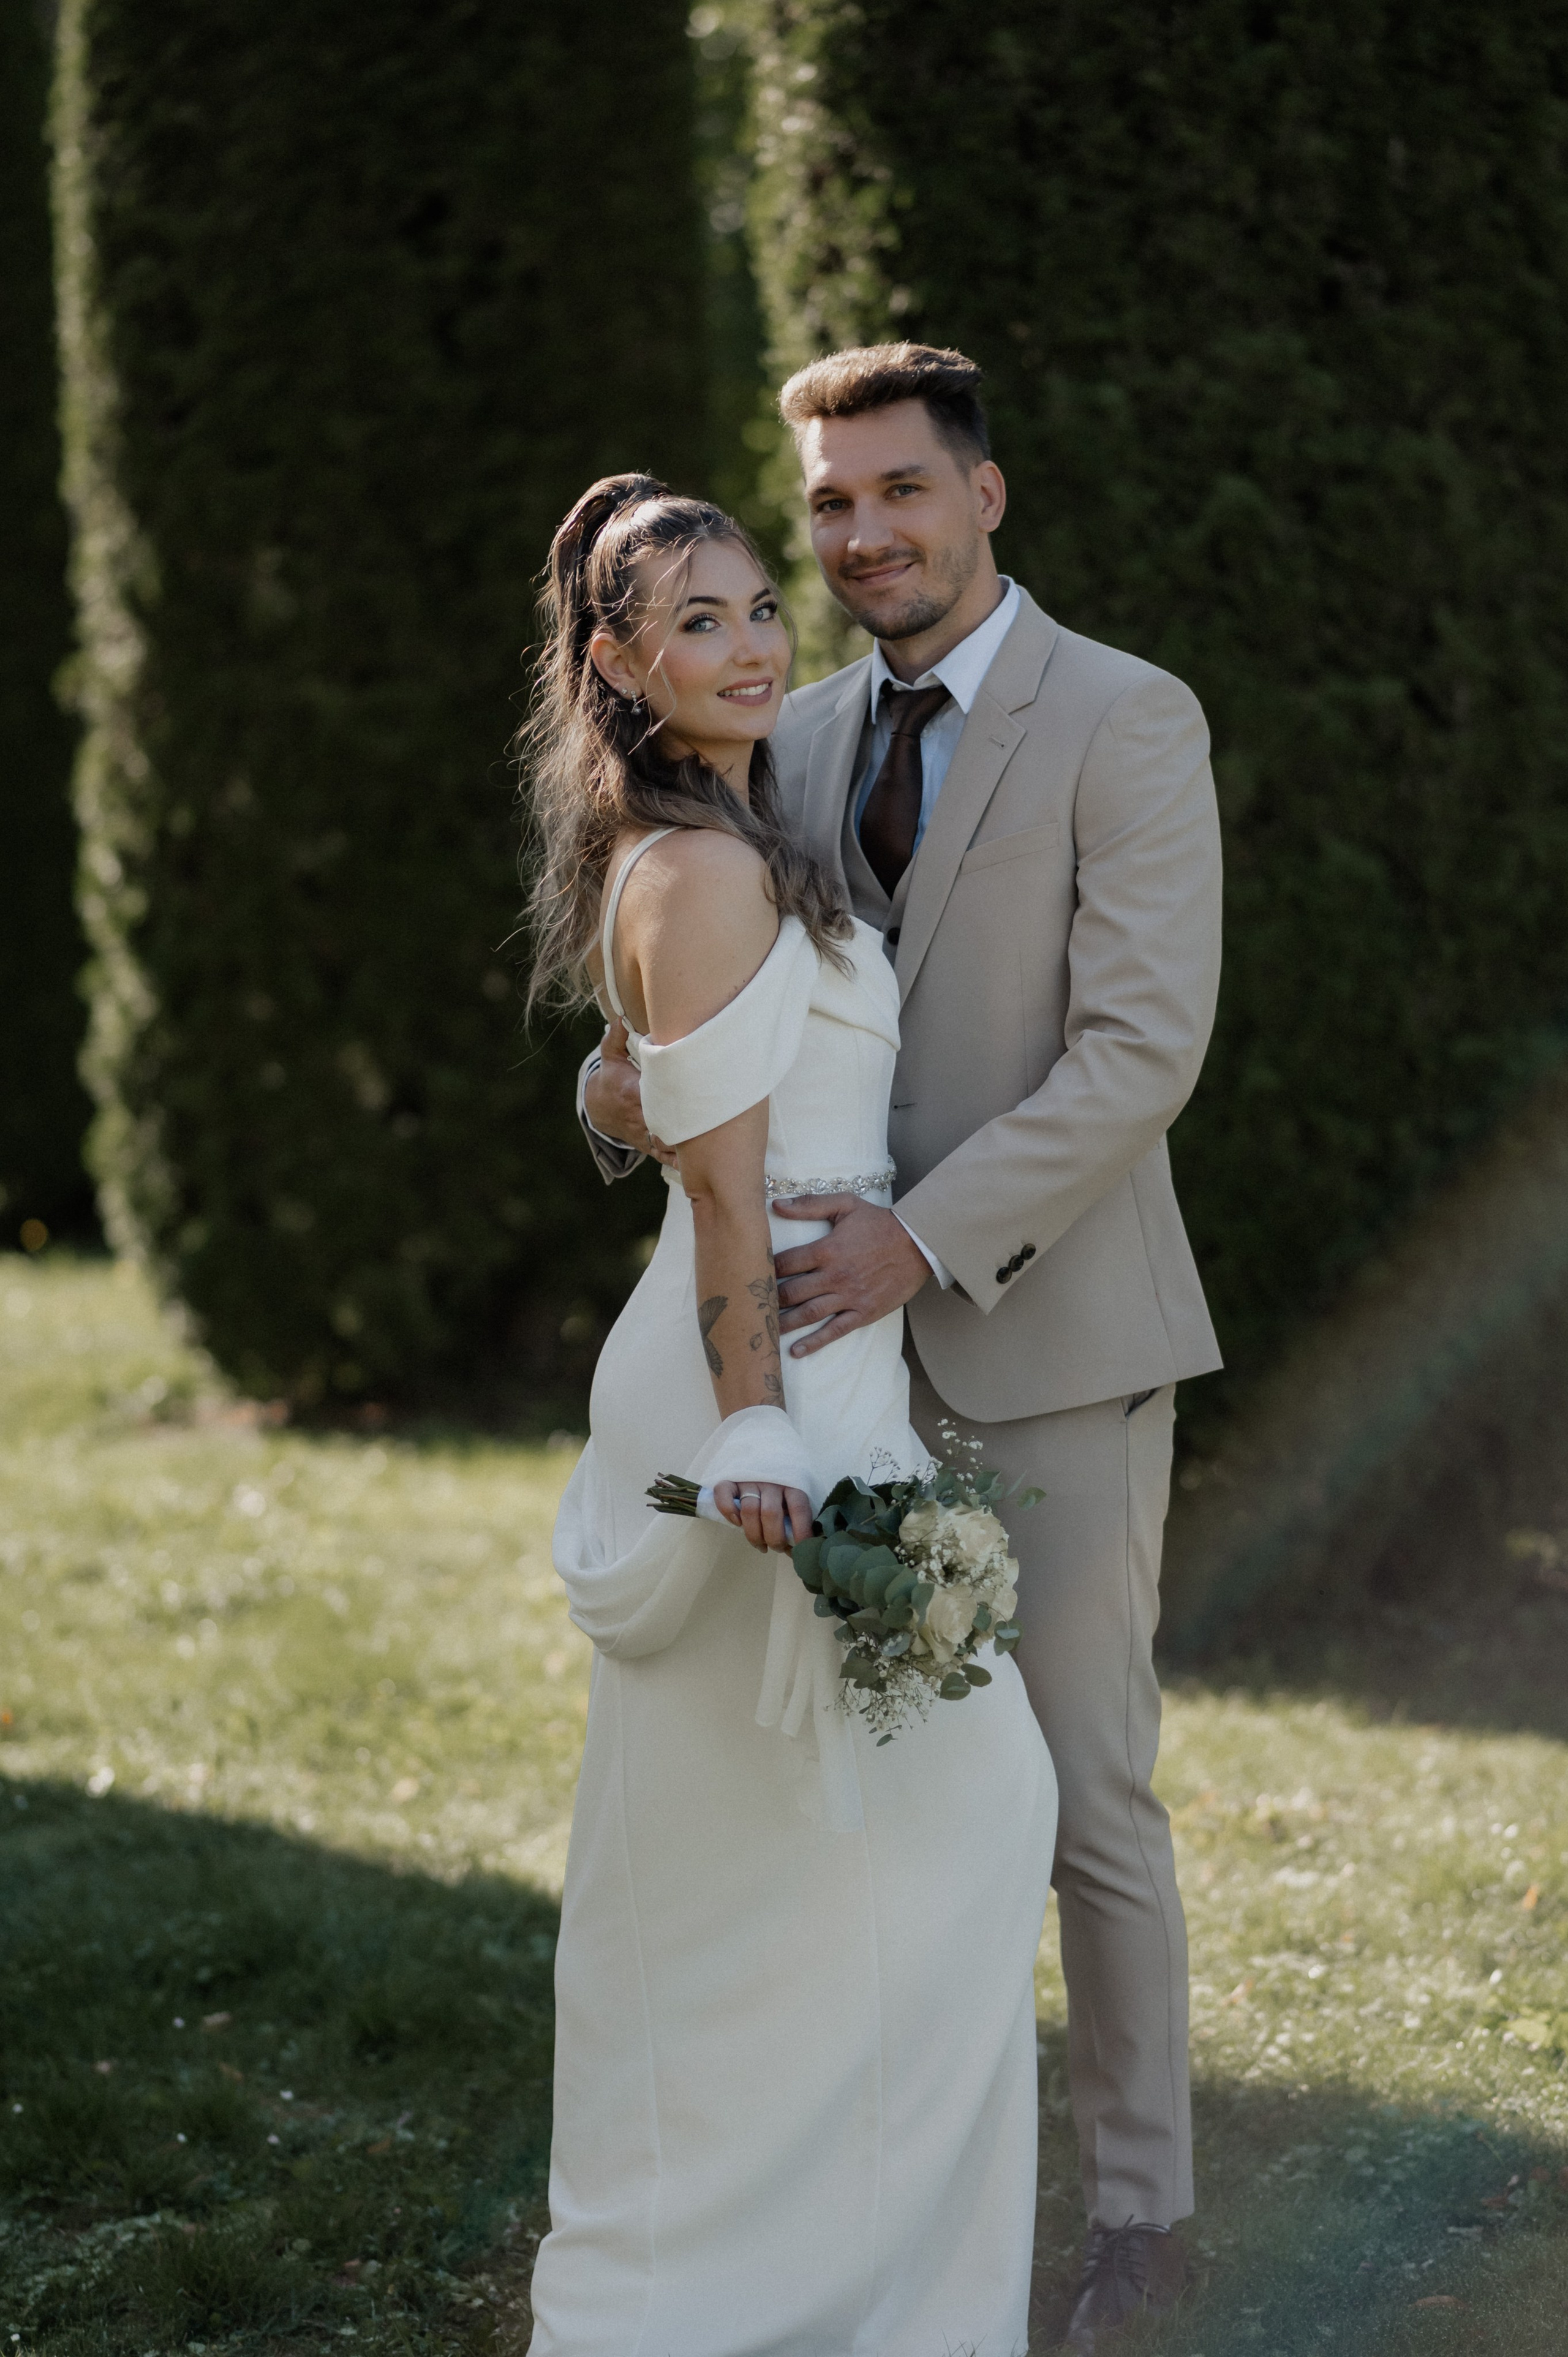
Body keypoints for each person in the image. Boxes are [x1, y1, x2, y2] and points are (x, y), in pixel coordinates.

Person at [581, 347, 1224, 2353]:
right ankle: (868, 2186)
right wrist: (631, 1107)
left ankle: (1134, 2219)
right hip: (818, 1376)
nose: (859, 539)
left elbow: (1144, 1047)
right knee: (837, 1806)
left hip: (1043, 1332)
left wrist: (920, 1240)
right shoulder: (787, 724)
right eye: (829, 506)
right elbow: (693, 1039)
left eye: (898, 494)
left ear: (986, 494)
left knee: (1076, 1795)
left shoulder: (1128, 717)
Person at [524, 472, 1056, 2355]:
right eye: (699, 621)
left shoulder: (738, 836)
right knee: (913, 1816)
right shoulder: (703, 857)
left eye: (760, 608)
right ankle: (726, 2284)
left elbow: (652, 1089)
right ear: (617, 661)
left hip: (822, 1359)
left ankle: (845, 2286)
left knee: (874, 1836)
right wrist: (759, 1433)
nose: (753, 646)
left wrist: (641, 1110)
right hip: (765, 1376)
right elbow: (733, 1200)